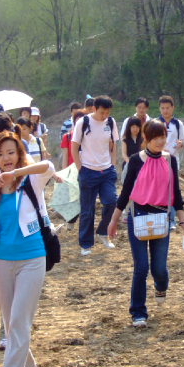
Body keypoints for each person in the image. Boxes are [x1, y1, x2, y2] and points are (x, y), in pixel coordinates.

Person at [0, 131, 55, 367]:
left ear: (20, 154)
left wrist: (17, 173)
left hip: (32, 258)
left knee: (20, 319)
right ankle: (27, 363)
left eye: (11, 152)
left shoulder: (31, 179)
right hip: (2, 261)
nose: (5, 158)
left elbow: (49, 166)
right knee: (10, 320)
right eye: (0, 154)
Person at [107, 119, 184, 328]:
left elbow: (176, 194)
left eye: (163, 137)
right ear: (146, 138)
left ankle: (161, 287)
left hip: (162, 217)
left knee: (159, 268)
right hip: (138, 216)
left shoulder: (170, 160)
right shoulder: (136, 161)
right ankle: (138, 312)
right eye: (155, 138)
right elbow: (125, 193)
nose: (160, 142)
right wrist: (114, 221)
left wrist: (183, 221)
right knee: (141, 267)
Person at [71, 95, 119, 255]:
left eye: (107, 112)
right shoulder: (83, 122)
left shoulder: (111, 122)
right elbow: (74, 146)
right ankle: (85, 244)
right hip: (88, 171)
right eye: (102, 112)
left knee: (112, 201)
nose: (104, 115)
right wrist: (80, 168)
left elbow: (113, 144)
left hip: (107, 171)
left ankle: (103, 232)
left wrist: (113, 164)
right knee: (87, 210)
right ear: (94, 108)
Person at [158, 95, 184, 229]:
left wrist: (180, 144)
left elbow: (183, 141)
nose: (165, 111)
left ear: (173, 108)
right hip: (158, 160)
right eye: (163, 108)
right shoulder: (155, 123)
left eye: (167, 108)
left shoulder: (178, 124)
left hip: (173, 160)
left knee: (172, 189)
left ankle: (172, 219)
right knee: (160, 189)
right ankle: (161, 217)